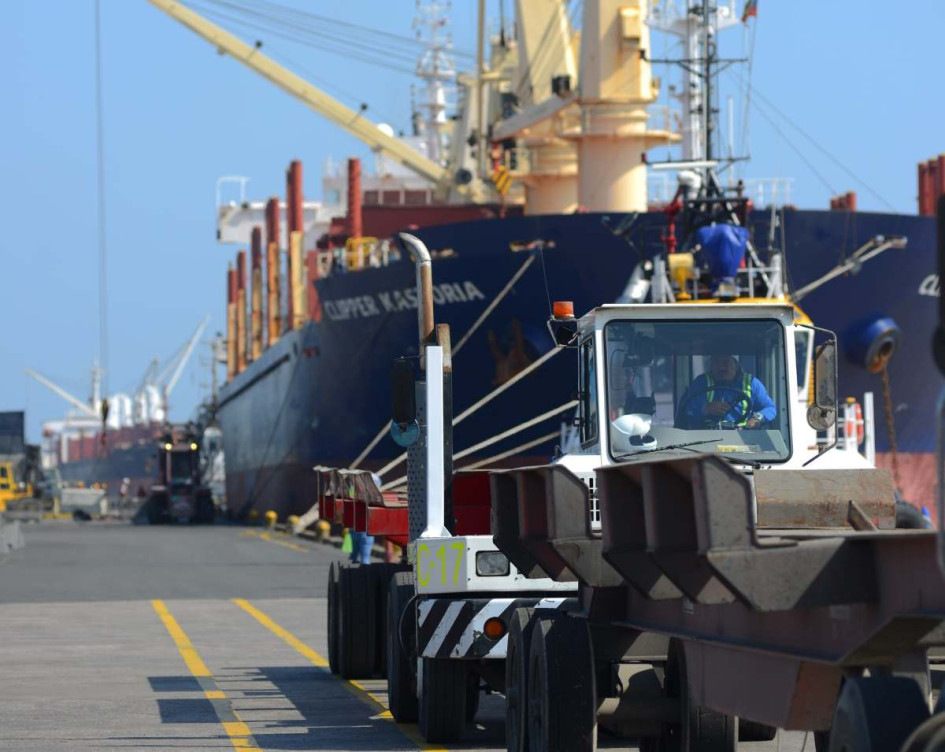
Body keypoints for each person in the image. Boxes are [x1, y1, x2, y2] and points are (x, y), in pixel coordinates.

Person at [679, 353, 776, 428]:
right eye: (716, 362)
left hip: (743, 437)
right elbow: (687, 410)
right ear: (711, 366)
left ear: (736, 365)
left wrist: (756, 419)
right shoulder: (701, 382)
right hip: (705, 437)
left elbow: (770, 408)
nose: (721, 367)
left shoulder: (752, 383)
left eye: (726, 362)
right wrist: (706, 408)